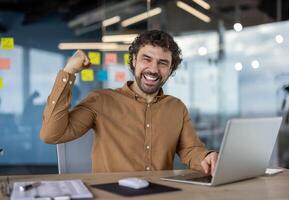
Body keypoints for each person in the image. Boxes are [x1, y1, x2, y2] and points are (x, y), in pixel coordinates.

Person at [40, 30, 218, 175]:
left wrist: (207, 157)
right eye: (146, 59)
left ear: (171, 70)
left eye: (163, 63)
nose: (154, 69)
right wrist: (69, 71)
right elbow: (51, 135)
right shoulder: (101, 100)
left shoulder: (176, 108)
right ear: (133, 60)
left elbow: (190, 150)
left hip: (161, 194)